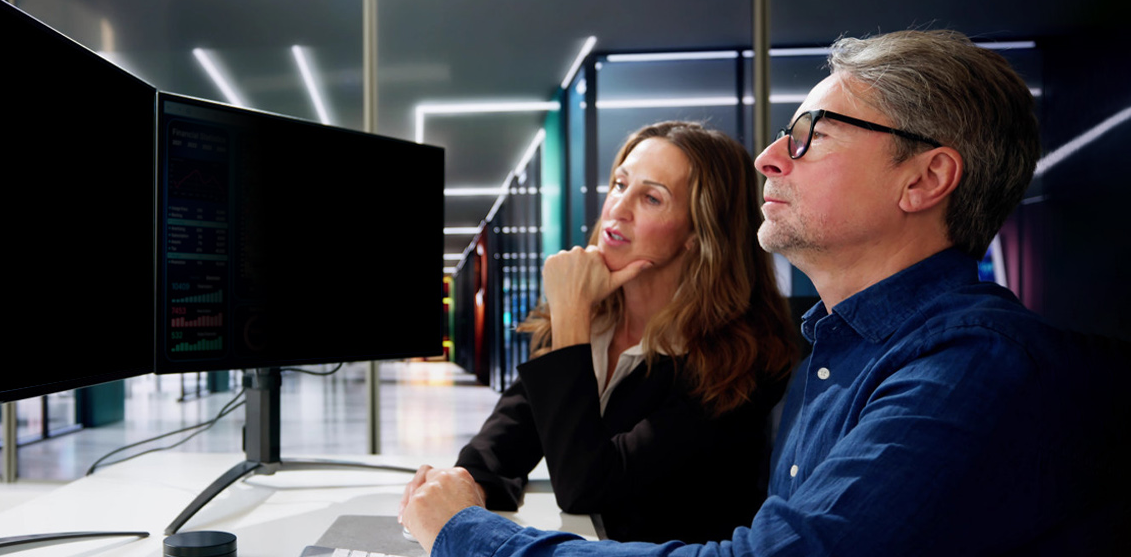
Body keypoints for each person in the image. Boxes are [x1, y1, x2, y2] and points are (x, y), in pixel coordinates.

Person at [402, 29, 1131, 556]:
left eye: (813, 134)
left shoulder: (970, 366)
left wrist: (467, 534)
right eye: (619, 184)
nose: (769, 159)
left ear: (924, 179)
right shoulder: (837, 350)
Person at [398, 121, 798, 543]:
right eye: (619, 185)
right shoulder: (599, 324)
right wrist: (462, 488)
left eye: (651, 198)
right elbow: (497, 450)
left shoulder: (738, 362)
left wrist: (571, 316)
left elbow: (585, 488)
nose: (618, 209)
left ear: (698, 234)